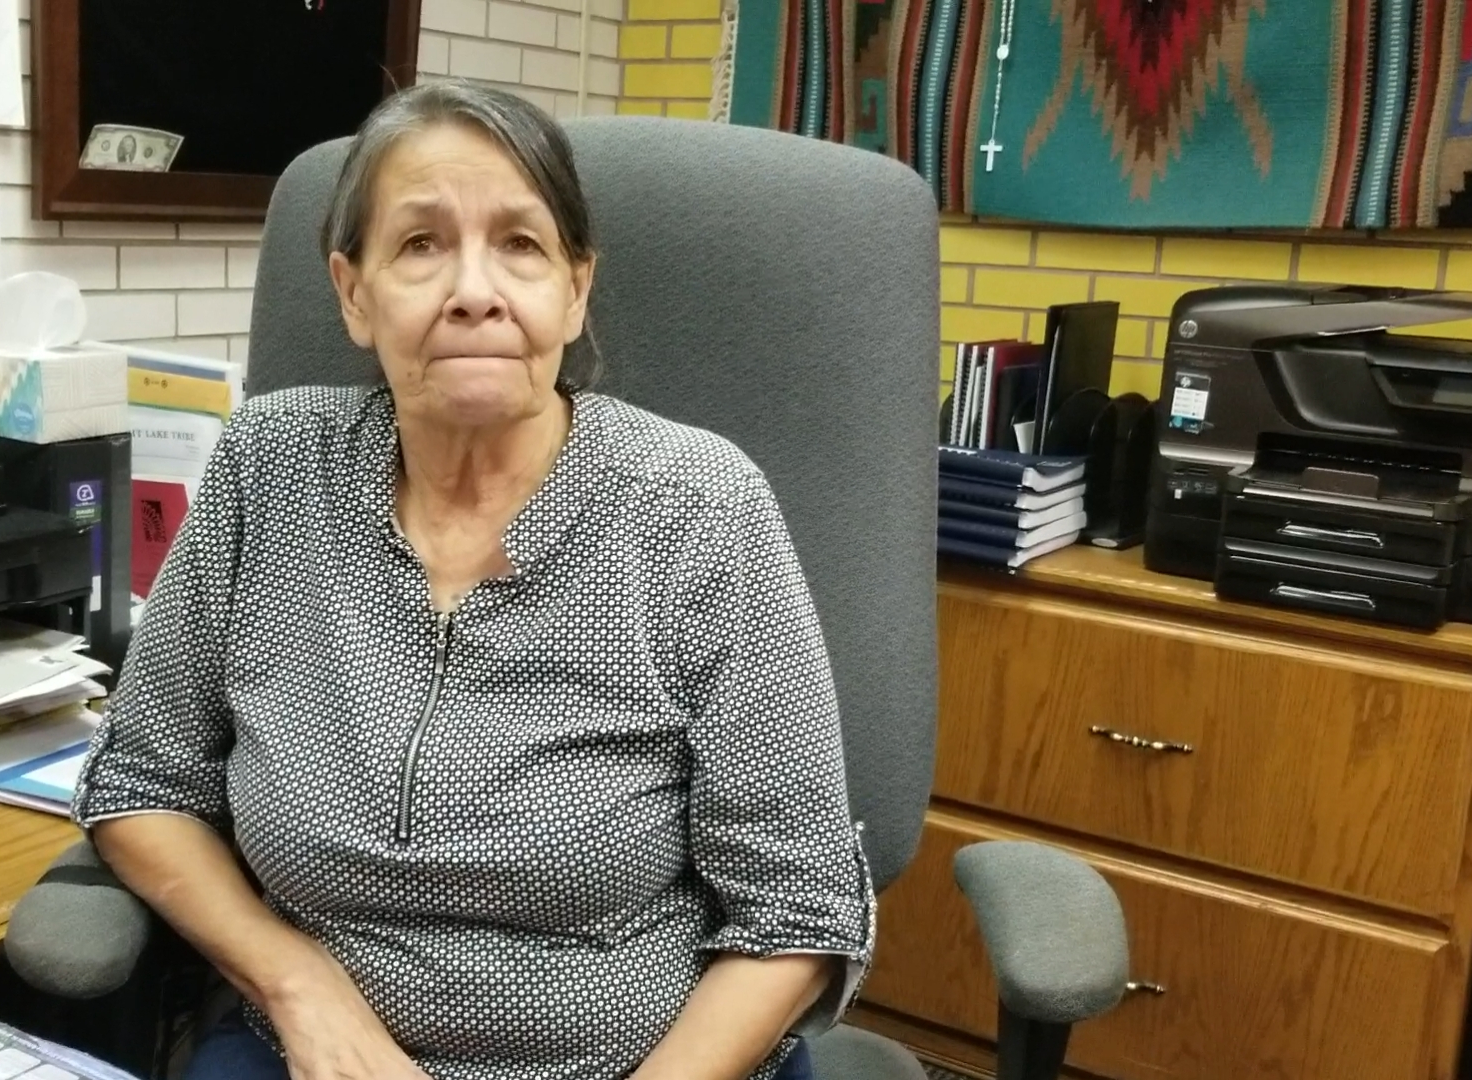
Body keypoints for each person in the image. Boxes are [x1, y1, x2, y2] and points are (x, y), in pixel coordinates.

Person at [72, 81, 875, 1080]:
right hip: (312, 1054)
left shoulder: (697, 505)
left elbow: (797, 909)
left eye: (521, 245)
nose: (474, 291)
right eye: (420, 244)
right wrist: (295, 984)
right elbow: (141, 785)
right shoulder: (269, 468)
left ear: (575, 290)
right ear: (353, 293)